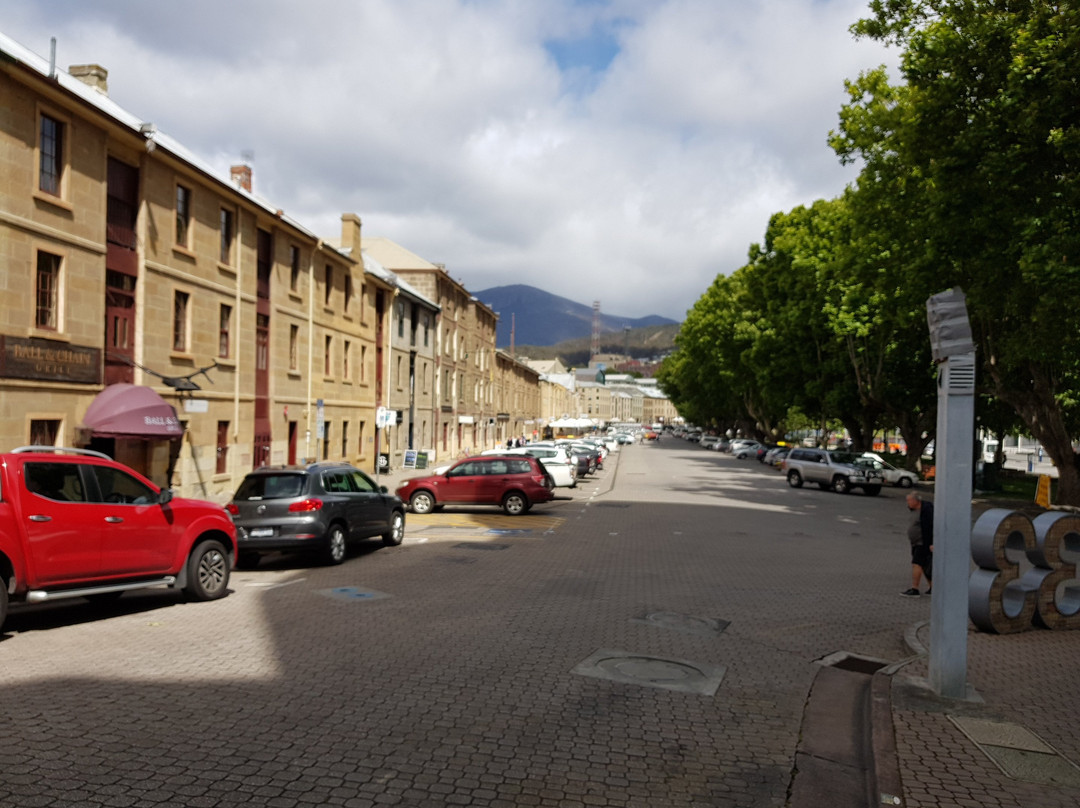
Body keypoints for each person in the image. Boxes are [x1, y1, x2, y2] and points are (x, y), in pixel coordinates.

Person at [902, 493, 933, 596]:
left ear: (916, 501)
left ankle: (915, 589)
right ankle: (933, 587)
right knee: (924, 565)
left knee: (917, 563)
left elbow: (930, 527)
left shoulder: (926, 511)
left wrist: (931, 543)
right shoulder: (914, 509)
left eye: (909, 500)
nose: (908, 503)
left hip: (922, 542)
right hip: (915, 542)